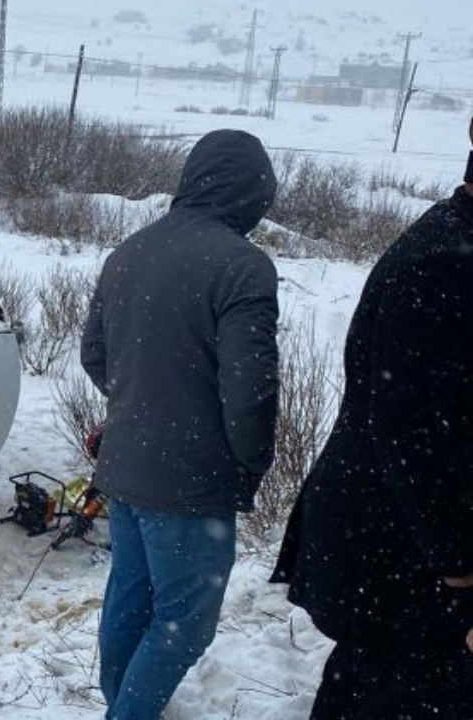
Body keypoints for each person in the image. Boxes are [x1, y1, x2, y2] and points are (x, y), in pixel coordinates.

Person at [271, 121, 473, 720]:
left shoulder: (451, 241)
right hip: (406, 554)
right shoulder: (446, 263)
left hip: (399, 547)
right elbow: (411, 432)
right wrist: (458, 566)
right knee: (397, 693)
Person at [81, 129, 280, 720]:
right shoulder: (243, 266)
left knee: (132, 598)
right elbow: (251, 391)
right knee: (185, 621)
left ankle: (125, 705)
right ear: (252, 194)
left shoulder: (131, 250)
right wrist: (249, 460)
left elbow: (95, 354)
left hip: (126, 466)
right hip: (191, 479)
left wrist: (144, 408)